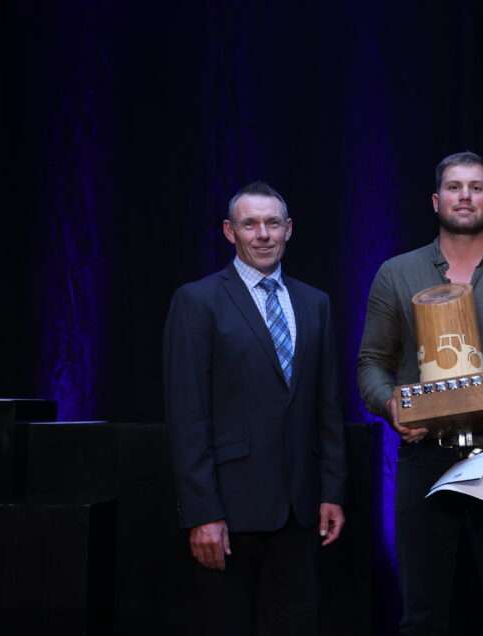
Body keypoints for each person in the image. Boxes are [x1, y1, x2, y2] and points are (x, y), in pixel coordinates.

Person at [358, 151, 483, 635]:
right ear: (435, 200)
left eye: (475, 187)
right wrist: (392, 407)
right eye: (454, 187)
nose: (464, 195)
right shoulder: (396, 273)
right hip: (426, 456)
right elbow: (370, 365)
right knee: (423, 615)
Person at [163, 181, 346, 636]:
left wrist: (332, 491)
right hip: (229, 511)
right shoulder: (197, 301)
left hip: (300, 511)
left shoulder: (315, 303)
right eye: (250, 224)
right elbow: (187, 415)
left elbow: (327, 407)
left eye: (273, 223)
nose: (263, 233)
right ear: (230, 232)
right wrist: (202, 512)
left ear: (289, 230)